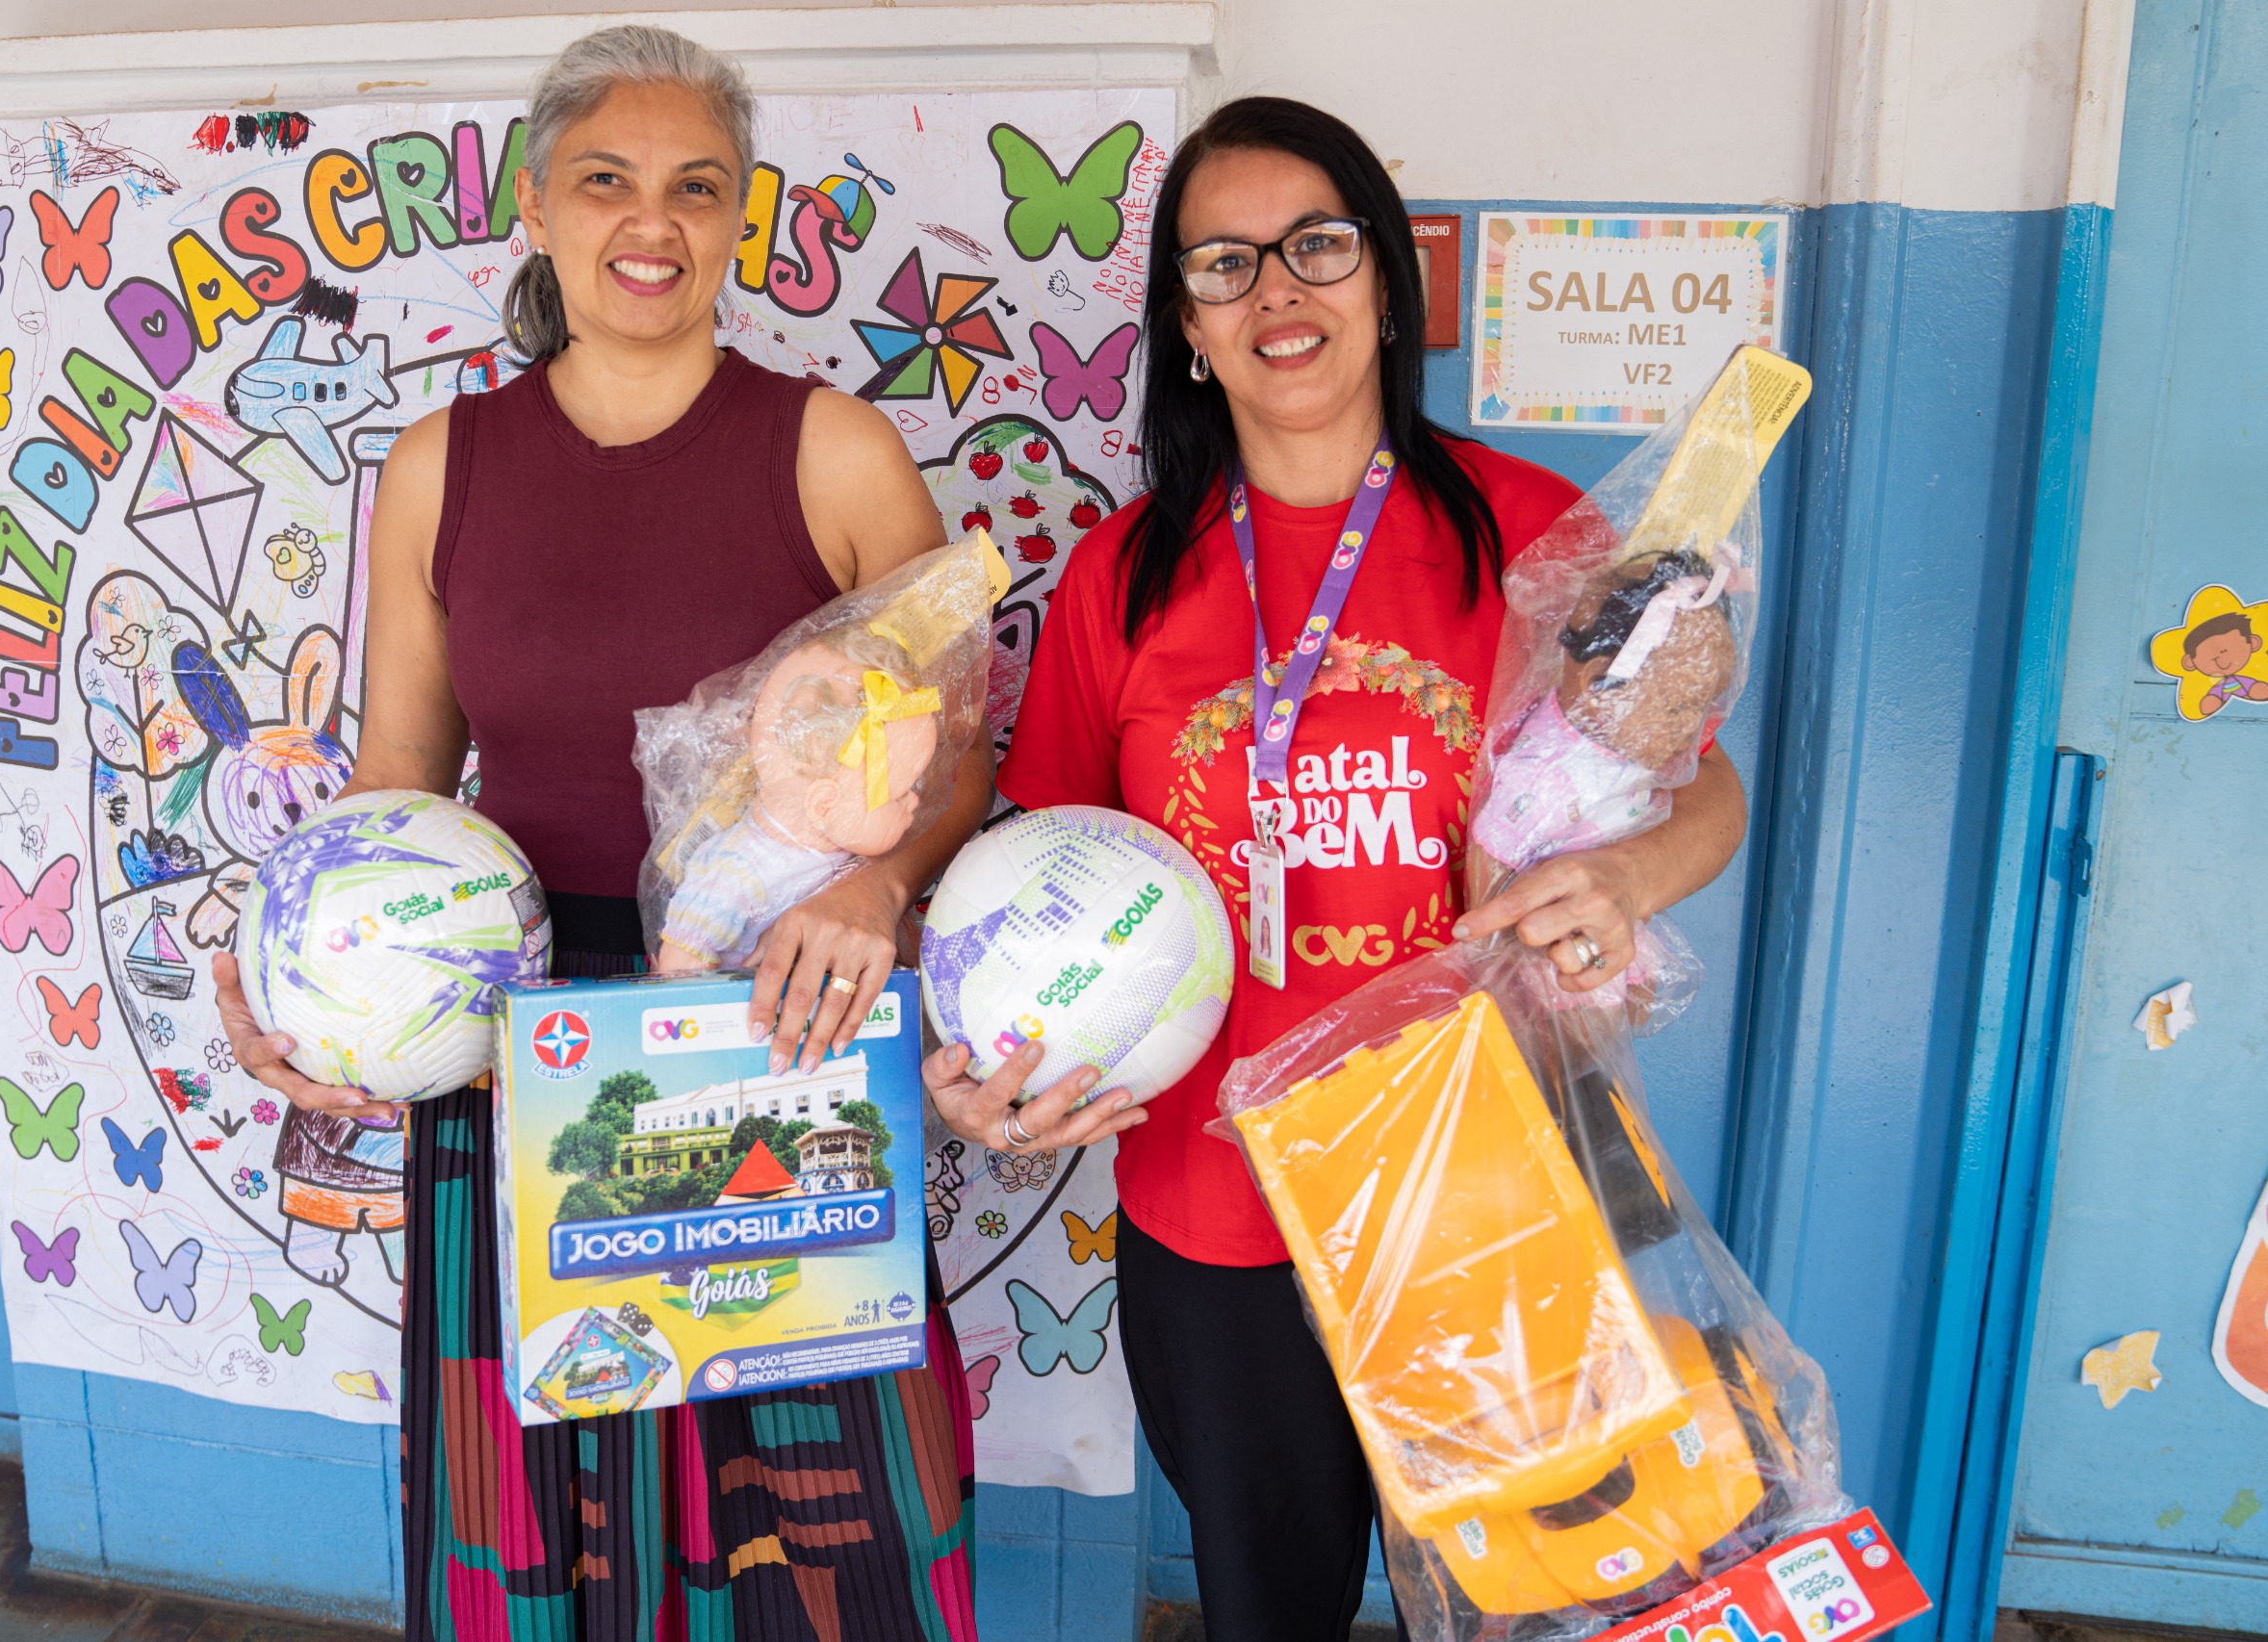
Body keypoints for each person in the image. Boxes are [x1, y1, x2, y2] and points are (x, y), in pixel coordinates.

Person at [927, 98, 1750, 1641]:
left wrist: (1631, 878)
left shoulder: (1526, 534)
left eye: (1316, 244)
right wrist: (994, 1071)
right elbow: (1023, 888)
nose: (1277, 293)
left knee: (1544, 1603)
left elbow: (1706, 802)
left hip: (1487, 1175)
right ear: (1184, 326)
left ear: (1384, 279)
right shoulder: (1126, 572)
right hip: (1216, 1201)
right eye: (1225, 264)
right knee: (1270, 1611)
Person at [210, 26, 992, 1639]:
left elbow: (963, 754)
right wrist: (301, 987)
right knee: (546, 1518)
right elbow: (400, 778)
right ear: (540, 207)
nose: (655, 221)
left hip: (778, 1025)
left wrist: (876, 881)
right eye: (609, 180)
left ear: (742, 216)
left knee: (821, 1510)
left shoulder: (831, 448)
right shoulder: (445, 465)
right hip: (514, 1041)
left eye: (698, 186)